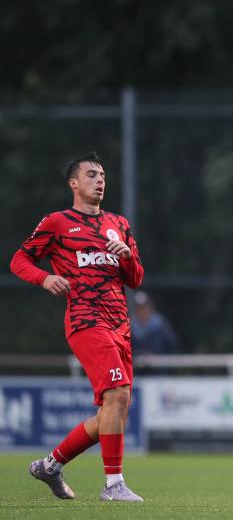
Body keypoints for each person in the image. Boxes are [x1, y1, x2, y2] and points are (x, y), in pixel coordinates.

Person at [10, 153, 145, 502]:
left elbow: (135, 280)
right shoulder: (58, 222)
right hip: (86, 320)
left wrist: (127, 256)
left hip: (120, 325)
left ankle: (49, 466)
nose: (100, 181)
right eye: (91, 175)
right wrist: (44, 278)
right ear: (74, 183)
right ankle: (113, 485)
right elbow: (19, 259)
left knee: (113, 413)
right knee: (117, 395)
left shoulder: (118, 223)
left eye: (103, 176)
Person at [131, 291, 179, 355]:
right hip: (138, 360)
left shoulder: (161, 324)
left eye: (144, 307)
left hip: (160, 359)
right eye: (139, 308)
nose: (142, 310)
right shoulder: (131, 327)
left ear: (150, 307)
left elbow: (172, 345)